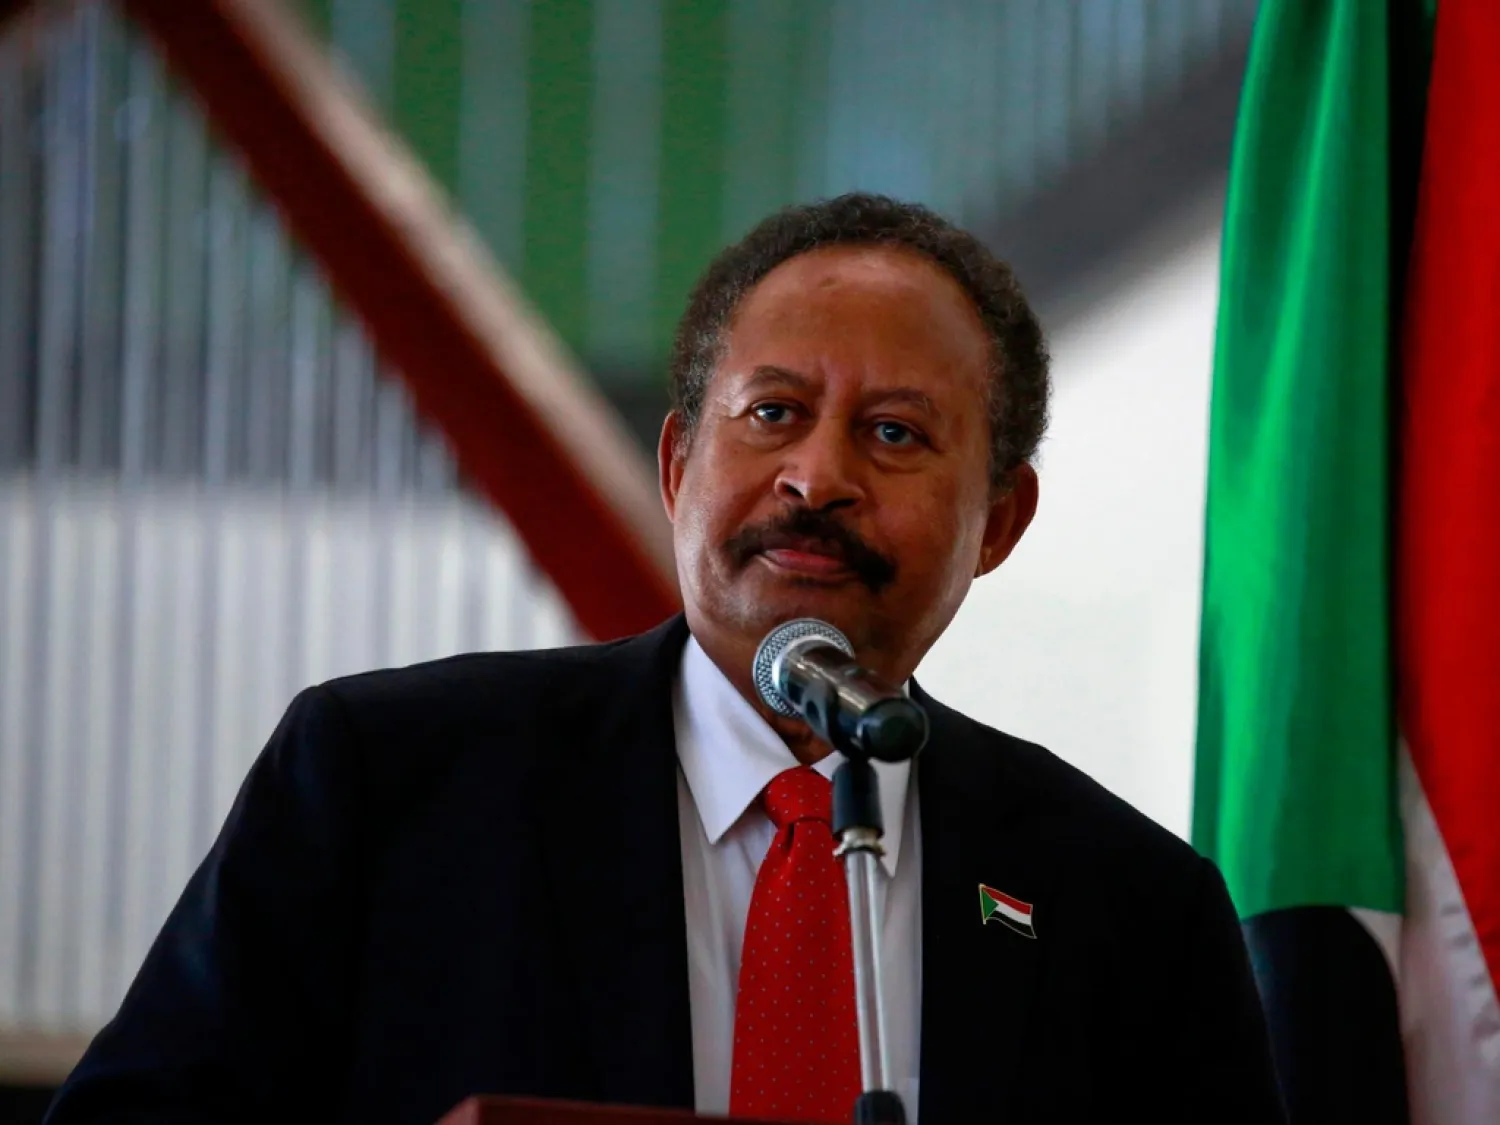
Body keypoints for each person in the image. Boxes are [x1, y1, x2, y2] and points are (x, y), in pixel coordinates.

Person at [45, 193, 1284, 1124]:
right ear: (680, 465)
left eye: (896, 433)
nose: (818, 477)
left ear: (998, 522)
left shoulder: (1130, 908)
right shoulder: (391, 779)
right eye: (773, 413)